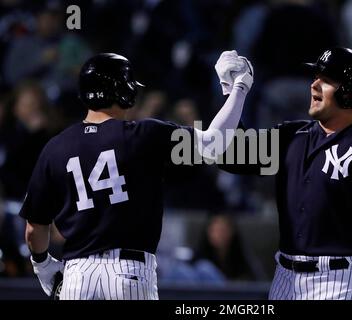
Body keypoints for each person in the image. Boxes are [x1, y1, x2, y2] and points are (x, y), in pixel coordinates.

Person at [19, 51, 254, 300]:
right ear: (125, 91)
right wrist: (238, 88)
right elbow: (213, 145)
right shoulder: (143, 134)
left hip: (77, 276)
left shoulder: (56, 147)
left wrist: (43, 266)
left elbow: (34, 230)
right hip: (129, 273)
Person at [219, 47, 352, 300]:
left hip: (342, 280)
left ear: (350, 90)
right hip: (286, 278)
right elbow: (232, 156)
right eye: (315, 77)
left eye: (326, 80)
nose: (314, 85)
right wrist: (232, 92)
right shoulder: (290, 136)